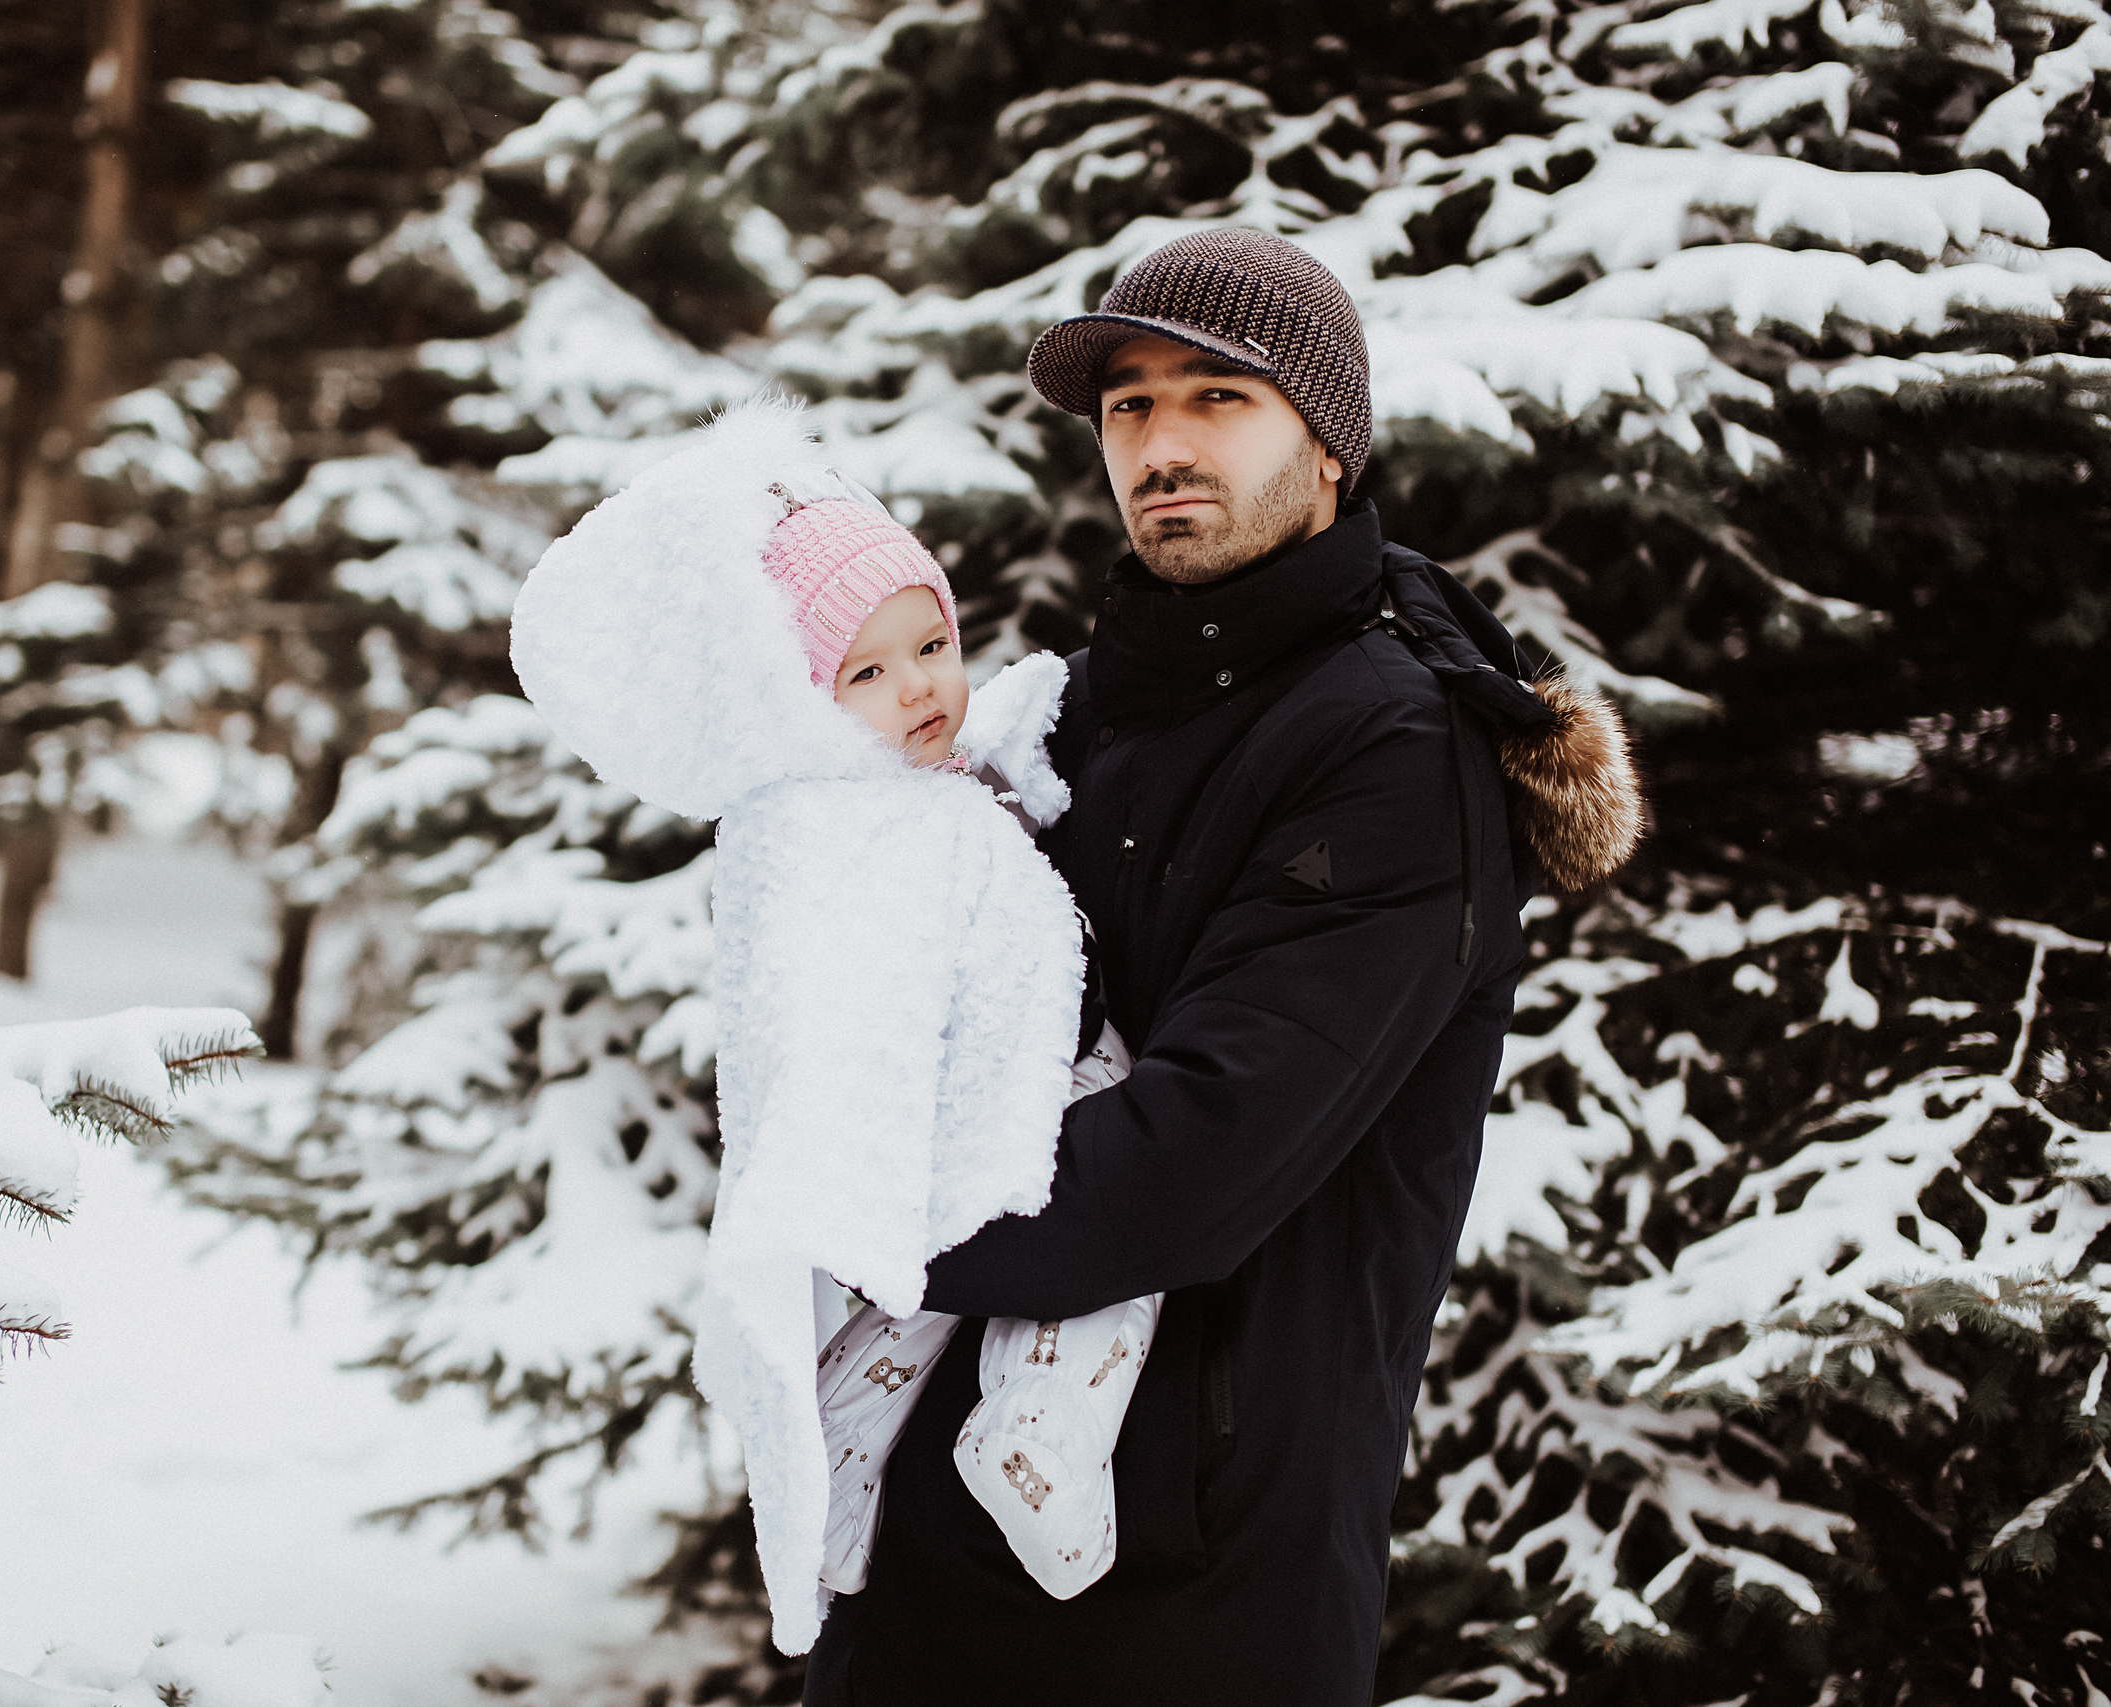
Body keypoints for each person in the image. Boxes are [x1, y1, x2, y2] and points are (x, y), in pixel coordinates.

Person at [803, 230, 1644, 1704]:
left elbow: (1180, 1168)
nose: (1161, 442)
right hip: (926, 1564)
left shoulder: (1391, 744)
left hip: (1187, 1597)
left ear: (1327, 440)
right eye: (1129, 405)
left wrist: (842, 1185)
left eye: (1216, 397)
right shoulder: (1075, 711)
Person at [507, 404, 1154, 1656]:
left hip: (1000, 1079)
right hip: (1015, 1082)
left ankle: (847, 1463)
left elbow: (1019, 764)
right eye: (866, 673)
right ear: (799, 703)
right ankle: (1043, 1427)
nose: (920, 687)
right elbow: (829, 994)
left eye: (931, 643)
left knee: (902, 1322)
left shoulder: (929, 778)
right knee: (1110, 1266)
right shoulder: (827, 825)